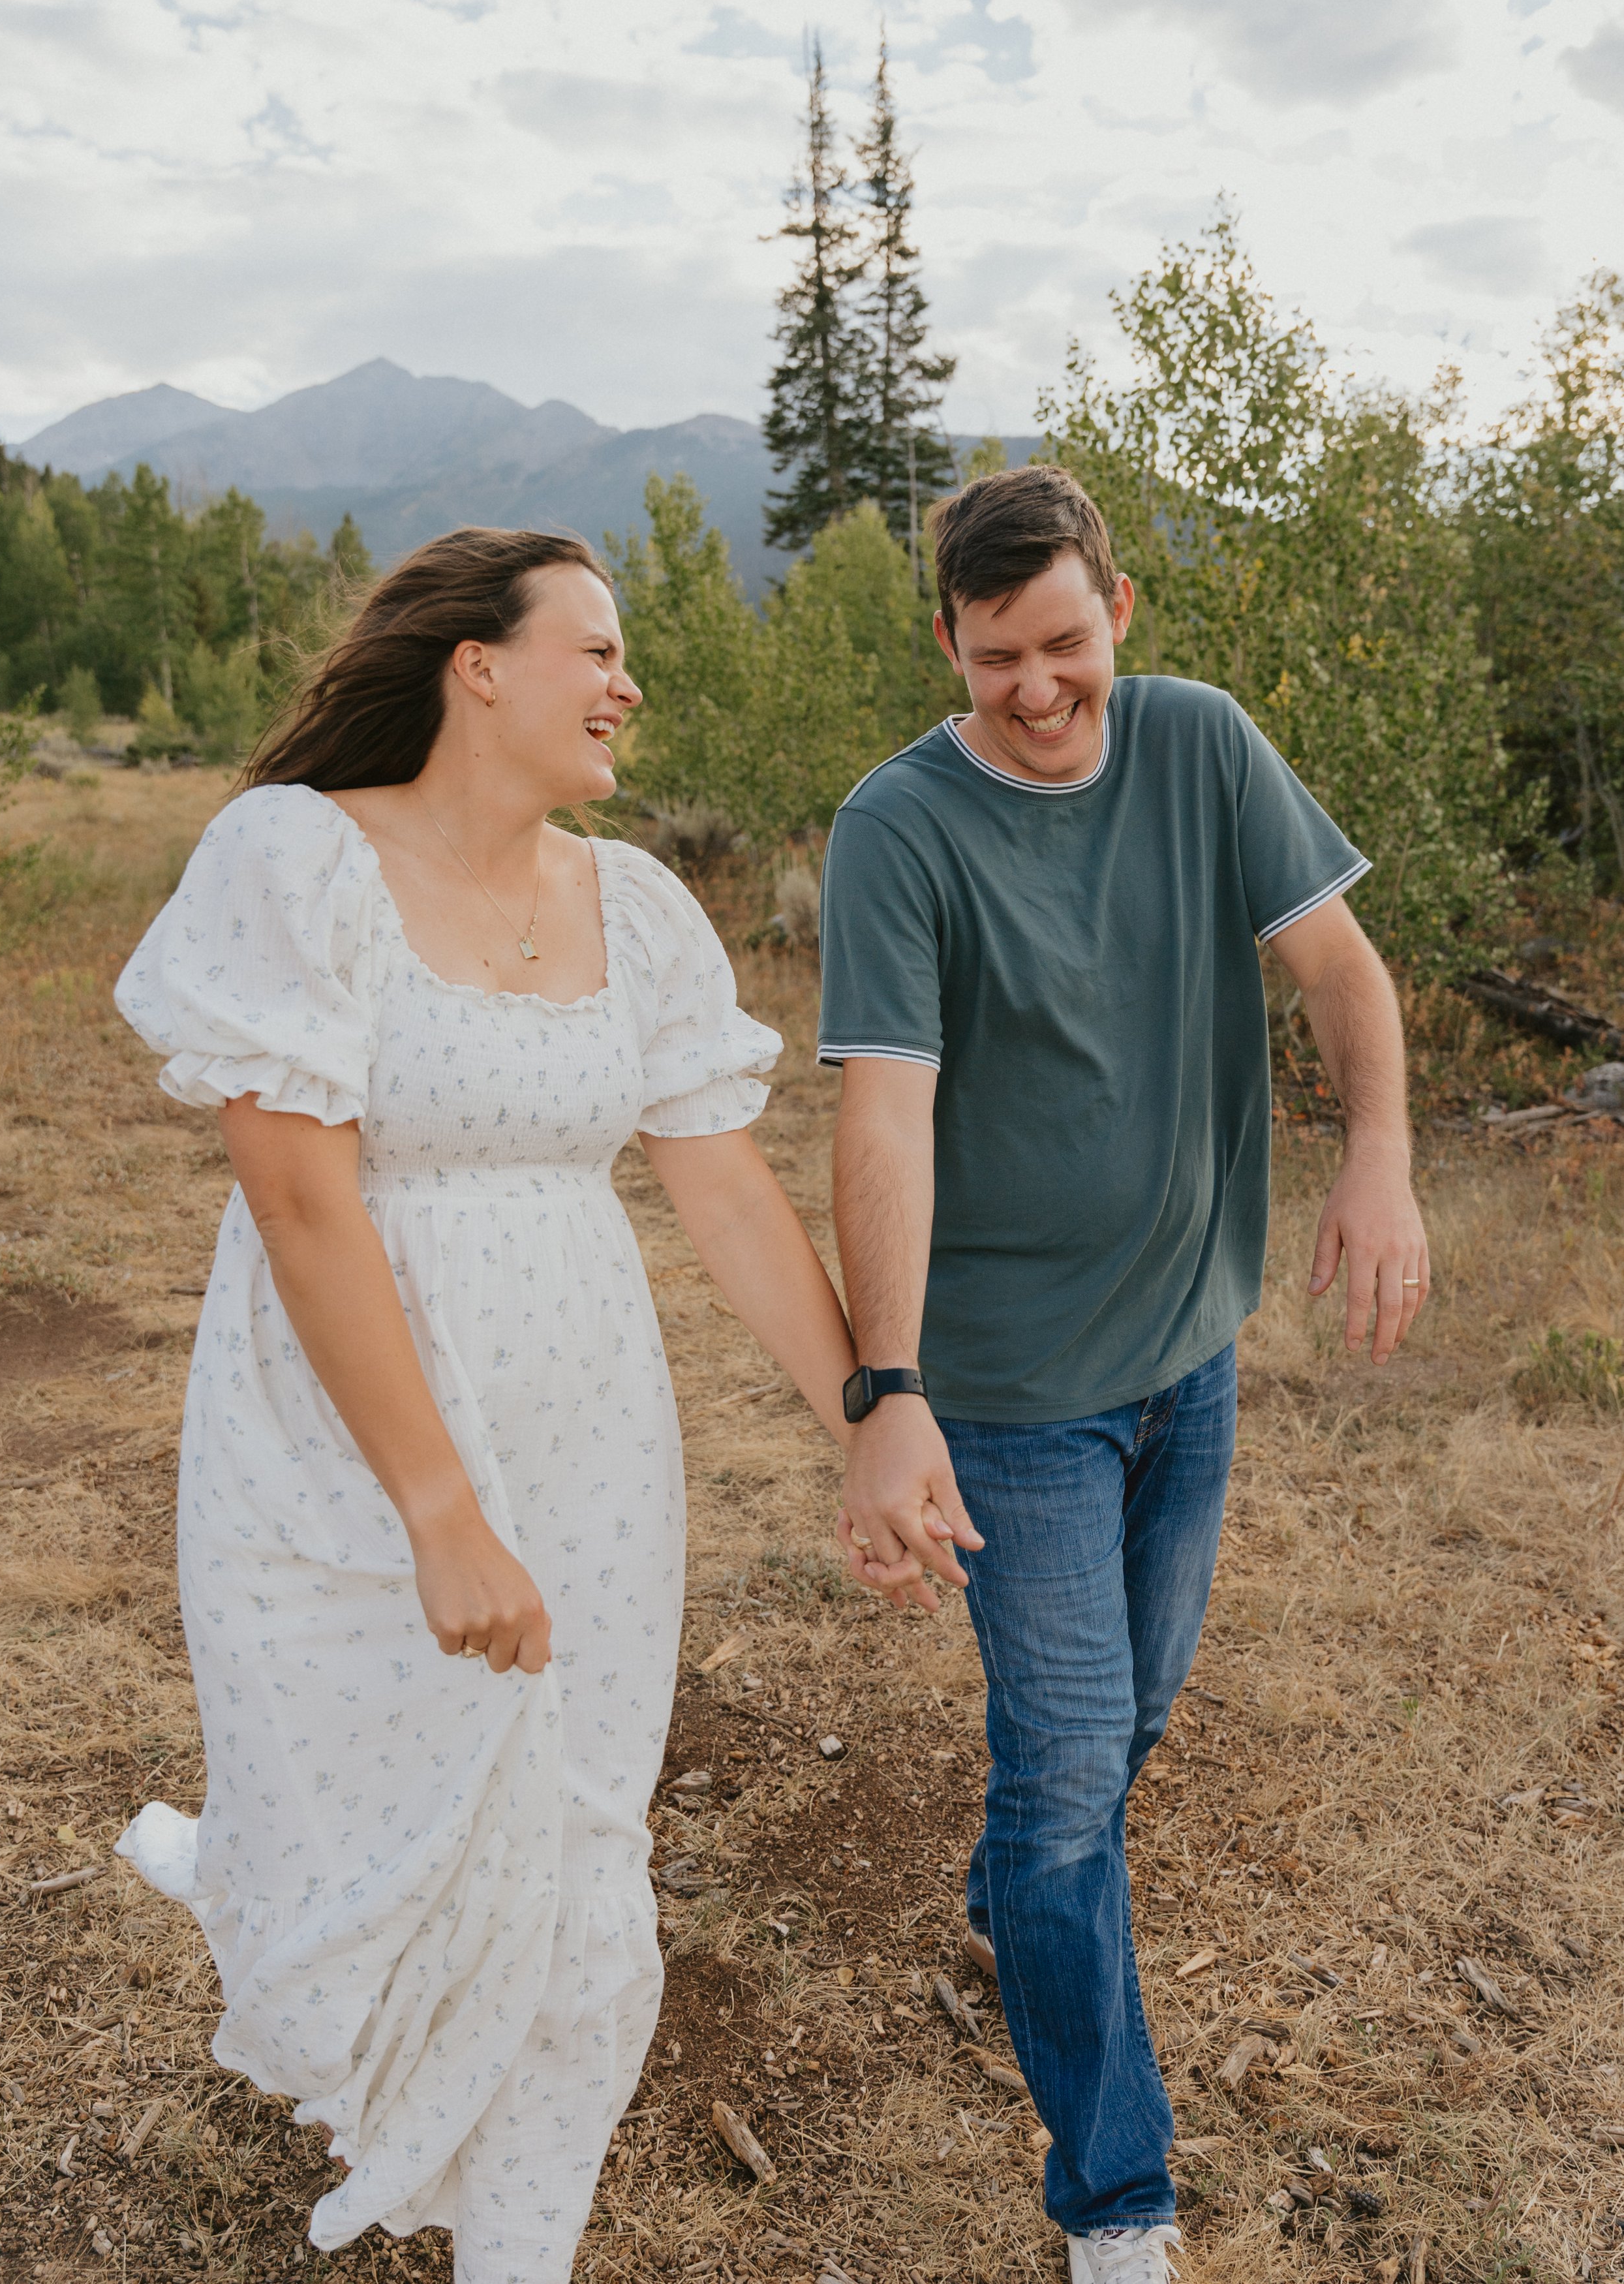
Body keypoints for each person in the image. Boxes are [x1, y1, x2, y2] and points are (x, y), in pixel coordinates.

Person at [112, 527, 856, 2279]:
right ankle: (255, 1877)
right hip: (335, 1444)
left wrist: (867, 1416)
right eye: (594, 649)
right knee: (347, 1814)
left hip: (588, 1429)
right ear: (479, 667)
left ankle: (511, 2250)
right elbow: (299, 1197)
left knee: (575, 1851)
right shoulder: (294, 860)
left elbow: (727, 1189)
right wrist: (440, 1512)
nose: (628, 683)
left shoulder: (638, 907)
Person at [817, 466, 1428, 2284]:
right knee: (1073, 1780)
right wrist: (888, 1386)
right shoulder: (896, 827)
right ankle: (1117, 2202)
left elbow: (1338, 971)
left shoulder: (1199, 746)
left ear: (1118, 613)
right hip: (1009, 1398)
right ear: (947, 641)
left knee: (1121, 1730)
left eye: (1062, 642)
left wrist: (1377, 1152)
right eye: (995, 653)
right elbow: (883, 1117)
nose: (1034, 685)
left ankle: (1022, 1904)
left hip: (1190, 1353)